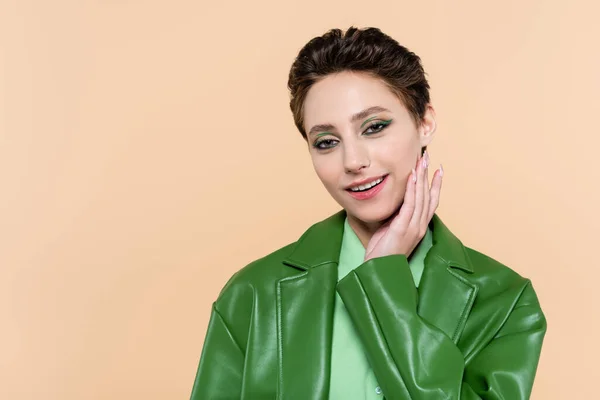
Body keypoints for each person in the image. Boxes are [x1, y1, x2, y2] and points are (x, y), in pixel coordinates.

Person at [189, 26, 546, 400]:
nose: (354, 161)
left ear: (424, 123)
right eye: (326, 142)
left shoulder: (505, 300)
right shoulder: (253, 293)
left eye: (374, 127)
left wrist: (383, 279)